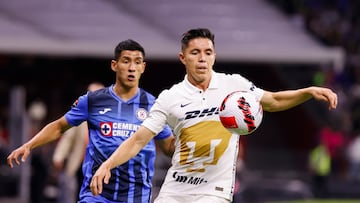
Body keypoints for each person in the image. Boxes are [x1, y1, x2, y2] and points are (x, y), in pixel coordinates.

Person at [89, 28, 338, 203]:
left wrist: (307, 91)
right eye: (195, 52)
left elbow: (273, 101)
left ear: (214, 56)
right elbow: (138, 139)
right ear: (182, 57)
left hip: (214, 191)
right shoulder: (170, 97)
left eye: (208, 52)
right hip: (175, 189)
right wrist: (107, 165)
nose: (202, 58)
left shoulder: (234, 86)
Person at [7, 39, 175, 203]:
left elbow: (168, 147)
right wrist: (29, 145)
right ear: (114, 65)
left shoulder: (153, 105)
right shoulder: (93, 100)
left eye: (137, 62)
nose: (132, 68)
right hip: (96, 192)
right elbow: (59, 127)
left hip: (135, 194)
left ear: (143, 67)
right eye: (126, 61)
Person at [52, 82, 104, 203]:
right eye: (90, 93)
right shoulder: (80, 114)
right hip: (79, 163)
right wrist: (59, 156)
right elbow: (68, 137)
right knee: (73, 194)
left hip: (100, 166)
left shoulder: (110, 116)